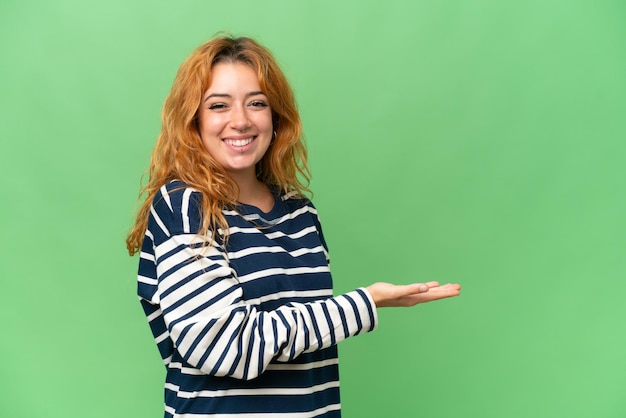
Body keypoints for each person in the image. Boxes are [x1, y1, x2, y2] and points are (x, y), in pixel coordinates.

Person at [126, 35, 461, 418]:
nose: (241, 120)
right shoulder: (184, 205)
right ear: (194, 119)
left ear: (276, 116)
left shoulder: (301, 213)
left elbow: (308, 357)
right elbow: (226, 347)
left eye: (257, 103)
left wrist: (359, 305)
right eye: (219, 105)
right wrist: (366, 302)